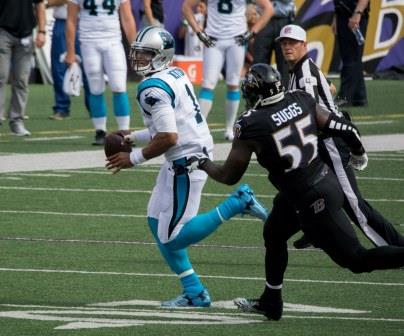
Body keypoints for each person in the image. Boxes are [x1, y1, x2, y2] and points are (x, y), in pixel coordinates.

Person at [192, 63, 404, 320]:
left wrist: (203, 162)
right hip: (320, 182)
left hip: (312, 199)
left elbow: (228, 176)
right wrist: (358, 153)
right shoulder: (301, 98)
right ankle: (272, 300)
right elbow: (344, 128)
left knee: (357, 261)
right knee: (273, 232)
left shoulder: (251, 124)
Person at [105, 27, 269, 307]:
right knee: (155, 219)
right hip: (186, 151)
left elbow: (169, 137)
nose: (139, 59)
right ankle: (194, 291)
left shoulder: (151, 88)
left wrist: (132, 158)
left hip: (187, 159)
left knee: (171, 238)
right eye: (139, 53)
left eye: (146, 54)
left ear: (161, 56)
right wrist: (132, 137)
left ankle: (237, 204)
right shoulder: (173, 74)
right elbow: (167, 127)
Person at [276, 24, 404, 249]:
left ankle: (397, 248)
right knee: (305, 189)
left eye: (293, 43)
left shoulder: (304, 72)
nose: (288, 47)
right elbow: (332, 88)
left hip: (330, 142)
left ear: (304, 45)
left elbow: (309, 113)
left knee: (354, 204)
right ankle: (314, 228)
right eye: (284, 43)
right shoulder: (302, 68)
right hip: (320, 142)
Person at [182, 0, 274, 140]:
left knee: (233, 83)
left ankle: (230, 128)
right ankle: (199, 128)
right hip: (213, 39)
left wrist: (252, 32)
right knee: (208, 84)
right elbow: (186, 7)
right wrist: (198, 31)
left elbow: (268, 8)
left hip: (236, 40)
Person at [65, 0, 136, 145]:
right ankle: (100, 131)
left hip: (113, 41)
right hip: (88, 41)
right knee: (95, 88)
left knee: (119, 86)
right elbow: (71, 20)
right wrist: (70, 52)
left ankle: (124, 131)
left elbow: (127, 17)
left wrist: (135, 46)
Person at [0, 0, 46, 136]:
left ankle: (17, 120)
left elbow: (40, 4)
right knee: (0, 76)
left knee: (21, 80)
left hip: (26, 33)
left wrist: (42, 31)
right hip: (3, 31)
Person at [47, 0, 90, 120]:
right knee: (59, 67)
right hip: (63, 22)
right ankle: (62, 108)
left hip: (86, 23)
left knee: (90, 67)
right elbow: (50, 2)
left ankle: (93, 107)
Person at [333, 0, 370, 107]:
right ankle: (359, 97)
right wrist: (336, 17)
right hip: (342, 15)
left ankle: (344, 97)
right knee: (352, 58)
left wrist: (357, 13)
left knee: (351, 59)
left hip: (354, 15)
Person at [252, 0, 295, 88]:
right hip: (263, 19)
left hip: (284, 19)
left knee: (285, 64)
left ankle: (285, 97)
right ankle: (259, 96)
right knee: (259, 64)